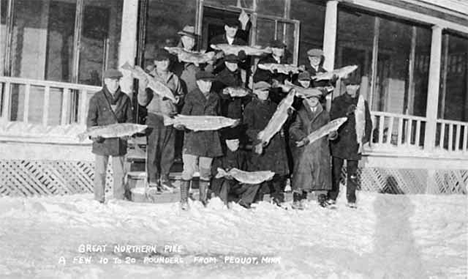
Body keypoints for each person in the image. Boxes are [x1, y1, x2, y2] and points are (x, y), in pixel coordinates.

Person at [138, 49, 184, 193]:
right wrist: (143, 88)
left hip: (169, 116)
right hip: (155, 116)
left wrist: (178, 99)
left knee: (168, 151)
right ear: (156, 63)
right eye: (161, 61)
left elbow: (181, 96)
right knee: (153, 150)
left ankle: (165, 178)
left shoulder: (174, 78)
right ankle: (152, 180)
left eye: (166, 60)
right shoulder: (149, 77)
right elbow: (142, 102)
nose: (164, 63)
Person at [86, 69, 134, 203]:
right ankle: (98, 198)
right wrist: (93, 135)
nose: (115, 83)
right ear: (106, 81)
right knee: (100, 171)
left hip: (119, 140)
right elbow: (91, 119)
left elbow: (129, 120)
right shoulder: (97, 98)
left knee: (119, 172)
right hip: (102, 140)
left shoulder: (125, 98)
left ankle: (119, 198)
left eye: (117, 81)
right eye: (112, 81)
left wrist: (126, 133)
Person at [178, 71, 223, 210]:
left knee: (205, 171)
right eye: (205, 82)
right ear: (198, 83)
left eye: (210, 82)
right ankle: (183, 200)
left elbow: (218, 116)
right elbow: (185, 116)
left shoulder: (215, 97)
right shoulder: (191, 97)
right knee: (189, 170)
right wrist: (182, 125)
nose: (208, 85)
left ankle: (202, 199)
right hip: (193, 138)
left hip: (210, 139)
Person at [327, 76, 372, 208]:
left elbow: (368, 122)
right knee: (335, 171)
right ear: (345, 87)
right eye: (348, 85)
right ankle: (332, 196)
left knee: (352, 173)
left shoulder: (362, 103)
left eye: (354, 85)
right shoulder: (338, 101)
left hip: (354, 142)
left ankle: (351, 198)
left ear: (358, 87)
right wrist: (346, 113)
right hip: (339, 142)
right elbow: (333, 119)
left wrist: (365, 138)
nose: (351, 88)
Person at [243, 81, 290, 206]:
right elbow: (247, 128)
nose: (265, 93)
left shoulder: (274, 106)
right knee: (261, 170)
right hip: (261, 143)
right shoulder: (250, 107)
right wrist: (258, 135)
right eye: (262, 91)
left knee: (278, 171)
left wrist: (288, 115)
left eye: (267, 91)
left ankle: (277, 195)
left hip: (275, 143)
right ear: (256, 92)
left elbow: (281, 122)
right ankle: (259, 196)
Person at [289, 93, 335, 209]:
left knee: (321, 173)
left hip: (321, 148)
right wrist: (303, 138)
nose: (313, 100)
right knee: (302, 173)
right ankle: (297, 197)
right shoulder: (301, 113)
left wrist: (333, 134)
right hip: (306, 147)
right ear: (306, 100)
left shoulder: (325, 114)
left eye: (315, 98)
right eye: (310, 98)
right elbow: (293, 128)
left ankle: (322, 197)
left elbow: (330, 129)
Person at [210, 128, 260, 208]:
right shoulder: (220, 154)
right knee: (225, 182)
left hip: (237, 184)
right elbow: (214, 171)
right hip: (224, 184)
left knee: (255, 182)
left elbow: (249, 169)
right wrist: (221, 173)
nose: (236, 143)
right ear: (227, 142)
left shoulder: (242, 154)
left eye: (237, 141)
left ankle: (245, 202)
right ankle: (223, 204)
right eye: (234, 142)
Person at [253, 39, 291, 104]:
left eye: (282, 48)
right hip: (268, 95)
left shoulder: (284, 63)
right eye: (278, 48)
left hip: (280, 95)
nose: (280, 50)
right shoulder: (264, 61)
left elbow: (286, 78)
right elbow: (257, 78)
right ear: (272, 49)